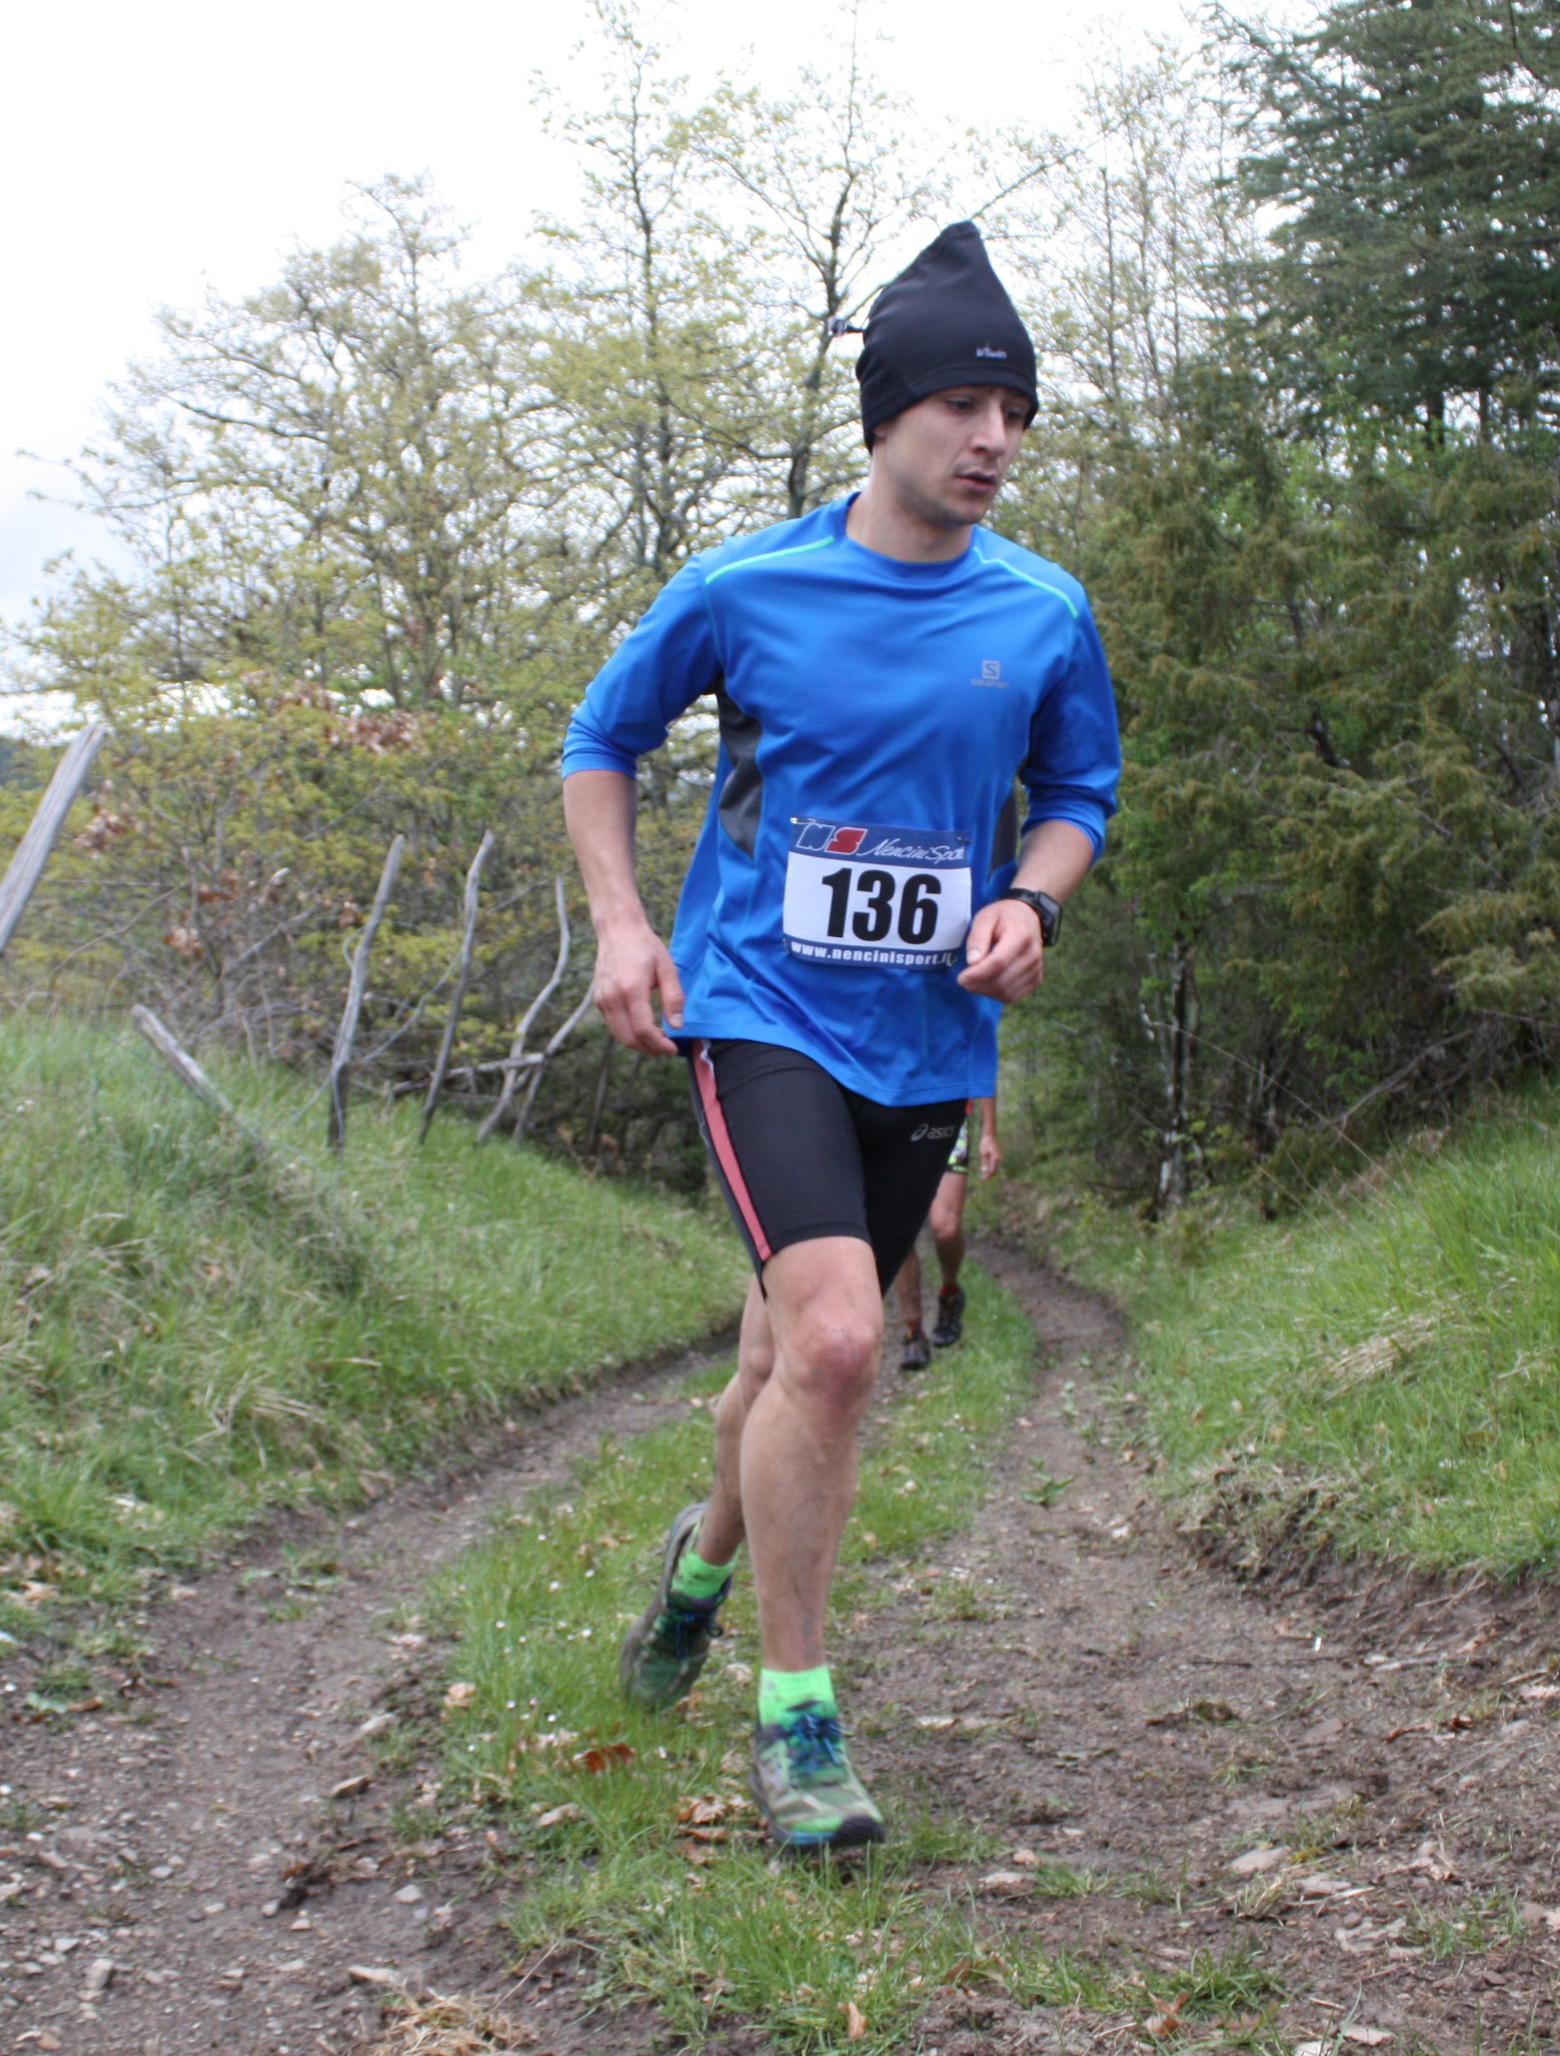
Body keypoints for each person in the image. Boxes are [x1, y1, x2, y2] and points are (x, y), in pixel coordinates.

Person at [560, 222, 1120, 1855]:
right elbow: (600, 739)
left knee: (778, 1364)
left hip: (927, 1041)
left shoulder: (1042, 608)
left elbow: (1077, 792)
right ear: (883, 418)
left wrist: (1031, 897)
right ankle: (796, 1719)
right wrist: (617, 921)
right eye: (959, 405)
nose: (992, 438)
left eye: (1012, 412)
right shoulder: (747, 586)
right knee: (841, 1345)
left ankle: (698, 1567)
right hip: (760, 1010)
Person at [890, 1094, 997, 1368]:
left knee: (946, 1227)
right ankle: (914, 1331)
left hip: (948, 1110)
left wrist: (989, 1132)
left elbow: (982, 1055)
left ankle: (950, 1295)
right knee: (900, 1229)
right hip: (893, 1111)